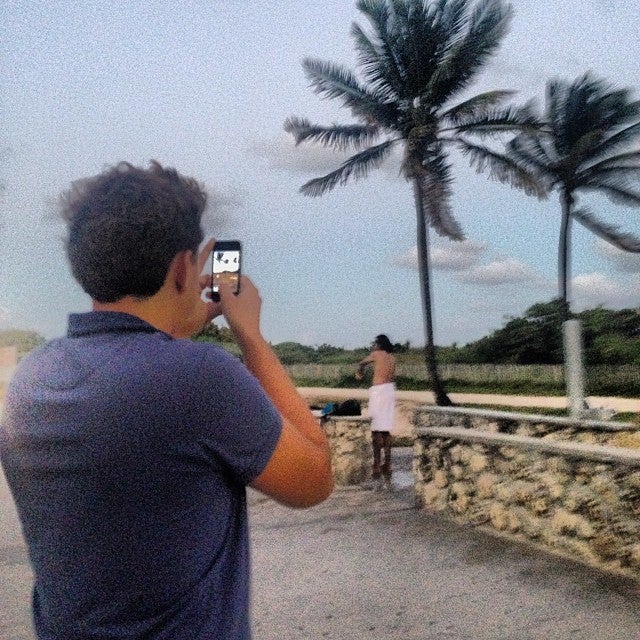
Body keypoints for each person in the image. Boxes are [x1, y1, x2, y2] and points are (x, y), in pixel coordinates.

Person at [0, 161, 334, 640]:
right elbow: (314, 481)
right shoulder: (201, 378)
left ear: (83, 267)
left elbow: (131, 368)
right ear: (183, 267)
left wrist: (175, 322)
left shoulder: (32, 377)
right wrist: (251, 336)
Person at [355, 334, 396, 489]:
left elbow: (362, 362)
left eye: (374, 343)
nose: (373, 346)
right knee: (386, 430)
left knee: (376, 430)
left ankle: (377, 464)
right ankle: (388, 463)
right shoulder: (392, 357)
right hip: (390, 391)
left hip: (378, 391)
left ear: (379, 344)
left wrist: (360, 372)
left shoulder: (376, 354)